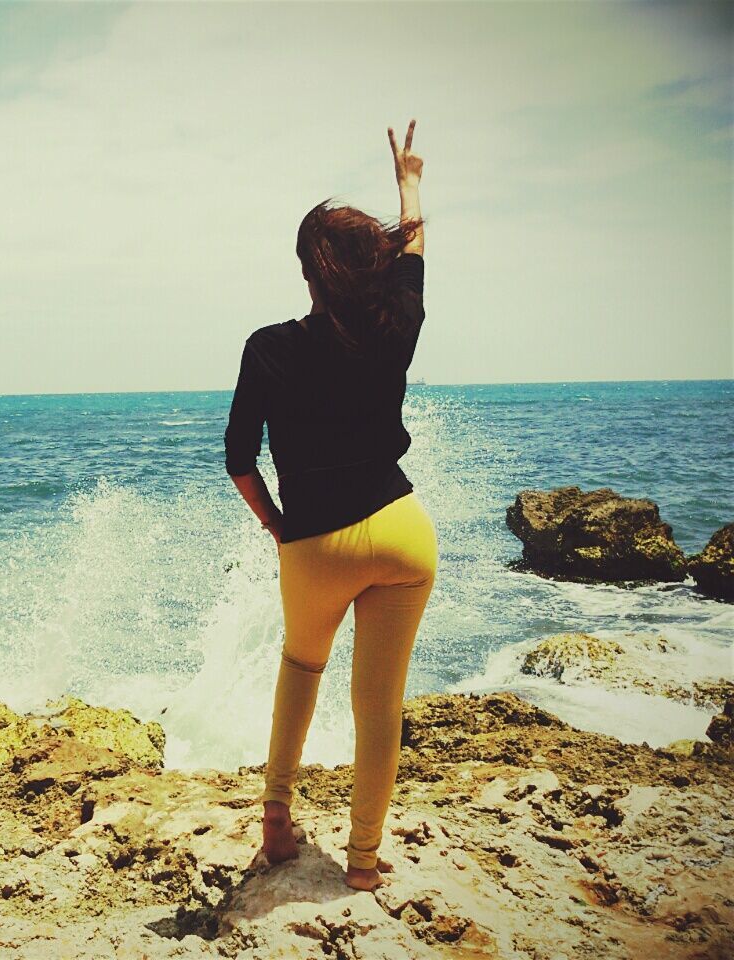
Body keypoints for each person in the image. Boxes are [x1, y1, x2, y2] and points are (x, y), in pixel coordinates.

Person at [223, 120, 437, 892]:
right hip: (402, 532)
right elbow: (414, 260)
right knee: (379, 705)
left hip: (314, 542)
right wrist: (409, 182)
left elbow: (238, 458)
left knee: (302, 663)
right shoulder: (395, 326)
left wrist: (281, 529)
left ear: (307, 272)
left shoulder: (268, 346)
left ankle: (277, 823)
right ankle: (363, 863)